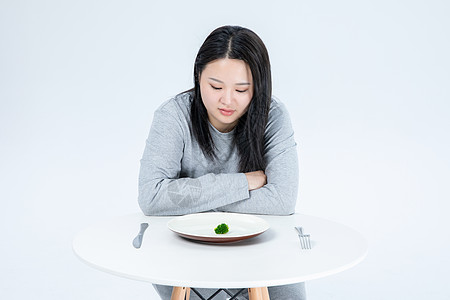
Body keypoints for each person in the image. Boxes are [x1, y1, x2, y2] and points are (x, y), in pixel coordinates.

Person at [138, 25, 306, 300]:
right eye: (215, 86)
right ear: (198, 78)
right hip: (186, 253)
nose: (226, 100)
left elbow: (283, 200)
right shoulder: (173, 116)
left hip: (261, 250)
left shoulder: (273, 116)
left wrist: (187, 198)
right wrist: (244, 183)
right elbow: (151, 196)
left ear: (258, 88)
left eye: (241, 89)